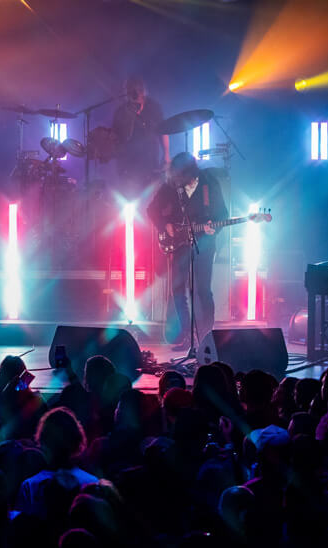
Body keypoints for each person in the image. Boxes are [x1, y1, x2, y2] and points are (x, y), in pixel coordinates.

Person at [147, 152, 227, 348]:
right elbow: (152, 209)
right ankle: (185, 334)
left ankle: (207, 338)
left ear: (190, 173)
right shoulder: (172, 185)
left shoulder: (209, 184)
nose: (177, 179)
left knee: (202, 291)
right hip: (179, 243)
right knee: (177, 289)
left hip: (204, 244)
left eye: (180, 176)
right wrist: (165, 225)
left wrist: (213, 227)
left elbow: (223, 214)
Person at [112, 75, 170, 198]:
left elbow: (164, 130)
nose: (135, 94)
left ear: (143, 91)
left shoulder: (154, 107)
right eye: (131, 91)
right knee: (130, 197)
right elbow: (115, 136)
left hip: (150, 161)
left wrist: (166, 155)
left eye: (138, 90)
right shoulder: (121, 111)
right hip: (128, 164)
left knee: (151, 196)